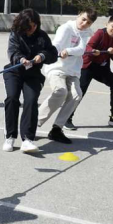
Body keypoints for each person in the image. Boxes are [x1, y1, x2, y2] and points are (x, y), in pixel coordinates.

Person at [36, 9, 96, 144]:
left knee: (76, 95)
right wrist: (53, 52)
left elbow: (81, 49)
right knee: (60, 91)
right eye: (84, 19)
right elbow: (56, 44)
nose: (85, 23)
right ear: (79, 15)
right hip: (56, 68)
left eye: (89, 22)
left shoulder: (87, 33)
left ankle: (57, 129)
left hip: (73, 71)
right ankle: (33, 124)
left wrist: (68, 51)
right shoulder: (66, 28)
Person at [3, 8, 58, 154]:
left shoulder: (42, 36)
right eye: (29, 26)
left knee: (31, 100)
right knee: (12, 98)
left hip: (33, 74)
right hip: (14, 72)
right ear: (22, 25)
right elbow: (12, 52)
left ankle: (27, 139)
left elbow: (53, 53)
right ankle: (10, 136)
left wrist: (42, 56)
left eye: (35, 25)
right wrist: (21, 59)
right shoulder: (15, 34)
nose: (32, 29)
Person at [73, 14, 113, 129]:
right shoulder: (100, 33)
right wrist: (94, 51)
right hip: (88, 66)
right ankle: (67, 118)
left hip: (102, 68)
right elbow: (87, 48)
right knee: (81, 91)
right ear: (107, 24)